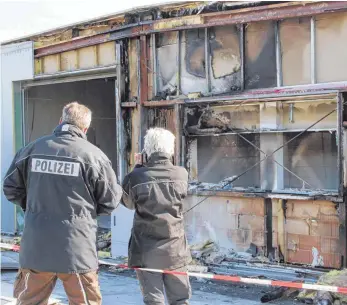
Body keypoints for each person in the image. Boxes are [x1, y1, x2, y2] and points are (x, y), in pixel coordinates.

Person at [3, 102, 122, 305]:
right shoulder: (94, 156)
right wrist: (86, 212)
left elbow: (10, 188)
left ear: (60, 121)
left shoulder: (32, 150)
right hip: (77, 250)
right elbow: (110, 201)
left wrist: (33, 207)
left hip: (36, 248)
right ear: (85, 128)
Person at [122, 127, 192, 305]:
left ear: (147, 150)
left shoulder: (136, 177)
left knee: (154, 300)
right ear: (170, 150)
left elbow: (128, 203)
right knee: (181, 299)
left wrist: (137, 166)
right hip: (175, 248)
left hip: (146, 250)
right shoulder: (181, 174)